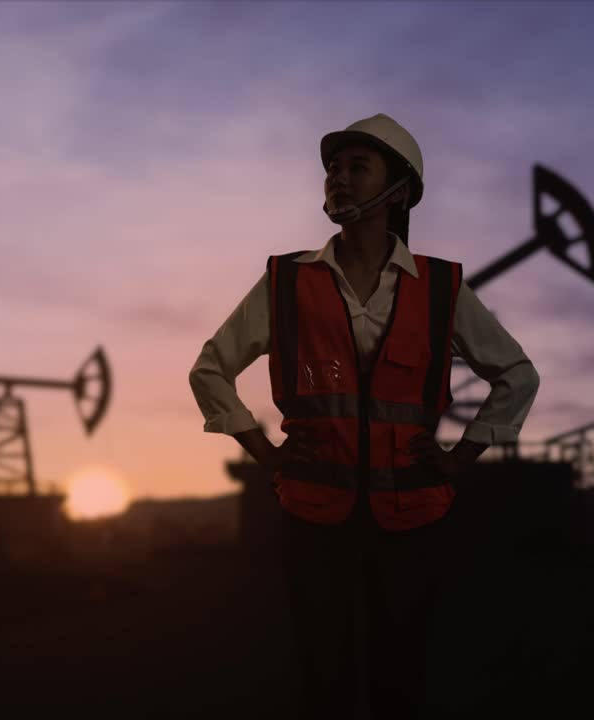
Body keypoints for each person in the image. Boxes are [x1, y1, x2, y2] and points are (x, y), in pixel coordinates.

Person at [188, 113, 539, 719]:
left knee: (398, 680)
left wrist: (459, 460)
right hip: (313, 518)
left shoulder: (441, 287)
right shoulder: (286, 281)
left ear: (398, 191)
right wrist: (265, 454)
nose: (338, 179)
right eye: (332, 168)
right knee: (324, 680)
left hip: (410, 519)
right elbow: (210, 368)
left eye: (356, 167)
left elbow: (517, 375)